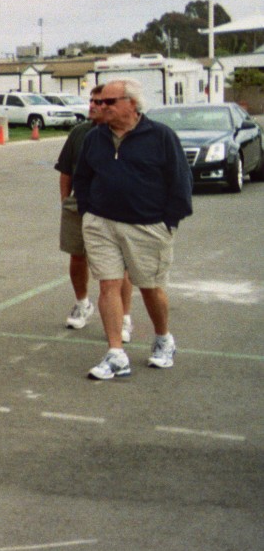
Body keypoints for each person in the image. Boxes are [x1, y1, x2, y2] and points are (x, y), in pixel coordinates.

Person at [73, 79, 192, 381]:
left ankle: (163, 338)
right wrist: (89, 213)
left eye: (109, 102)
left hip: (148, 226)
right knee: (108, 285)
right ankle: (116, 354)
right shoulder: (93, 138)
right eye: (99, 102)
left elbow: (180, 184)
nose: (100, 107)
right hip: (101, 224)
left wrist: (168, 223)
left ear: (132, 104)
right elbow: (82, 178)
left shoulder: (161, 136)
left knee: (150, 287)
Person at [54, 88, 133, 339]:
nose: (92, 105)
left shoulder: (125, 135)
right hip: (80, 205)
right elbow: (66, 171)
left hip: (115, 207)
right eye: (91, 101)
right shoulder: (80, 133)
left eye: (99, 102)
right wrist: (67, 201)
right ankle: (82, 303)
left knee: (119, 267)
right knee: (77, 256)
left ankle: (124, 318)